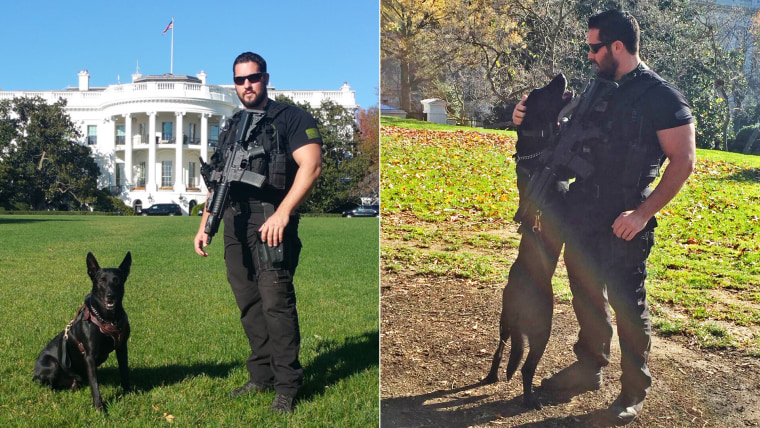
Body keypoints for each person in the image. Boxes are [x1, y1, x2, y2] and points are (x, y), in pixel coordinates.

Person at [514, 10, 695, 424]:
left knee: (629, 305)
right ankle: (589, 367)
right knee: (585, 292)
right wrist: (521, 118)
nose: (590, 55)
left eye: (594, 47)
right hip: (582, 210)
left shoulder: (662, 98)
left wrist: (642, 214)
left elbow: (683, 161)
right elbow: (560, 138)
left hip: (625, 217)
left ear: (617, 46)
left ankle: (633, 390)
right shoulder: (596, 89)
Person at [194, 52, 323, 414]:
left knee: (276, 303)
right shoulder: (234, 124)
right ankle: (261, 375)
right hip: (234, 220)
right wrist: (205, 225)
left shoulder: (292, 118)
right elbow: (219, 178)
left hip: (270, 221)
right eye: (239, 80)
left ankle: (287, 386)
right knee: (248, 302)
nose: (246, 85)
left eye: (252, 78)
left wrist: (283, 212)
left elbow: (311, 167)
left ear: (265, 78)